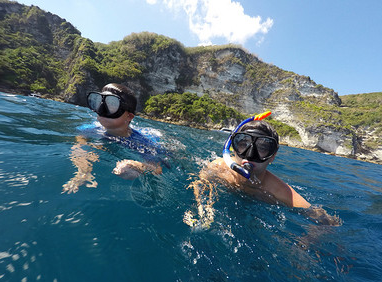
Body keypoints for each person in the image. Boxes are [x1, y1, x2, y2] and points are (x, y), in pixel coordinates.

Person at [183, 111, 342, 227]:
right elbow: (200, 183)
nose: (250, 155)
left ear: (272, 156)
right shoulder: (218, 167)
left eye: (263, 147)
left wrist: (304, 243)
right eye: (243, 144)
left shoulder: (278, 191)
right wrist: (202, 207)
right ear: (233, 147)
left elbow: (327, 221)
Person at [62, 83, 166, 194]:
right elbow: (80, 147)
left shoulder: (143, 142)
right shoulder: (87, 130)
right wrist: (83, 171)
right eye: (99, 103)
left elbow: (157, 169)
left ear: (129, 116)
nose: (102, 109)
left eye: (112, 105)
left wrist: (136, 166)